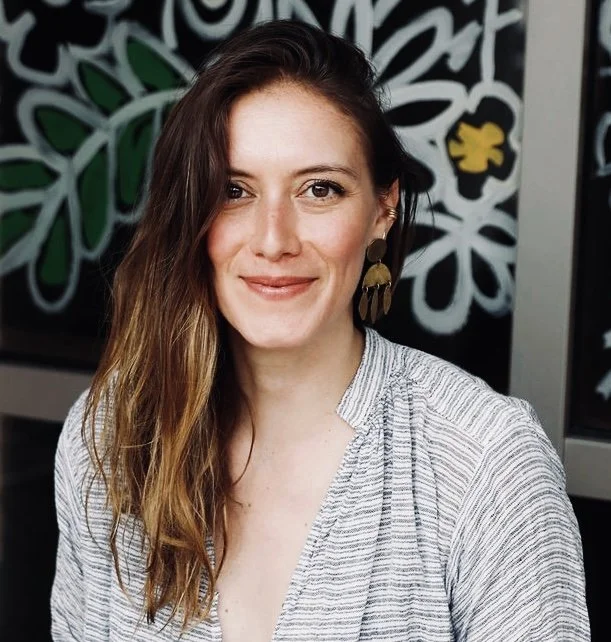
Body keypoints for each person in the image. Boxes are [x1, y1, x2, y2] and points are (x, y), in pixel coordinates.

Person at [51, 20, 589, 642]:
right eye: (234, 190)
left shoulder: (485, 462)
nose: (273, 239)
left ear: (383, 209)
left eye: (319, 189)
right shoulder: (110, 435)